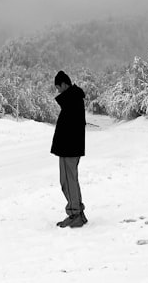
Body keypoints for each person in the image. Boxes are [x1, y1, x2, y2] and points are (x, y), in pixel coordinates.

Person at [50, 70, 87, 228]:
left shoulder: (71, 98)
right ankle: (78, 212)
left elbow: (70, 127)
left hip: (69, 149)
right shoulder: (74, 97)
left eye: (58, 87)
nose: (58, 91)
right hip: (71, 147)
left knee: (67, 181)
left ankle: (75, 214)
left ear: (65, 84)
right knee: (71, 180)